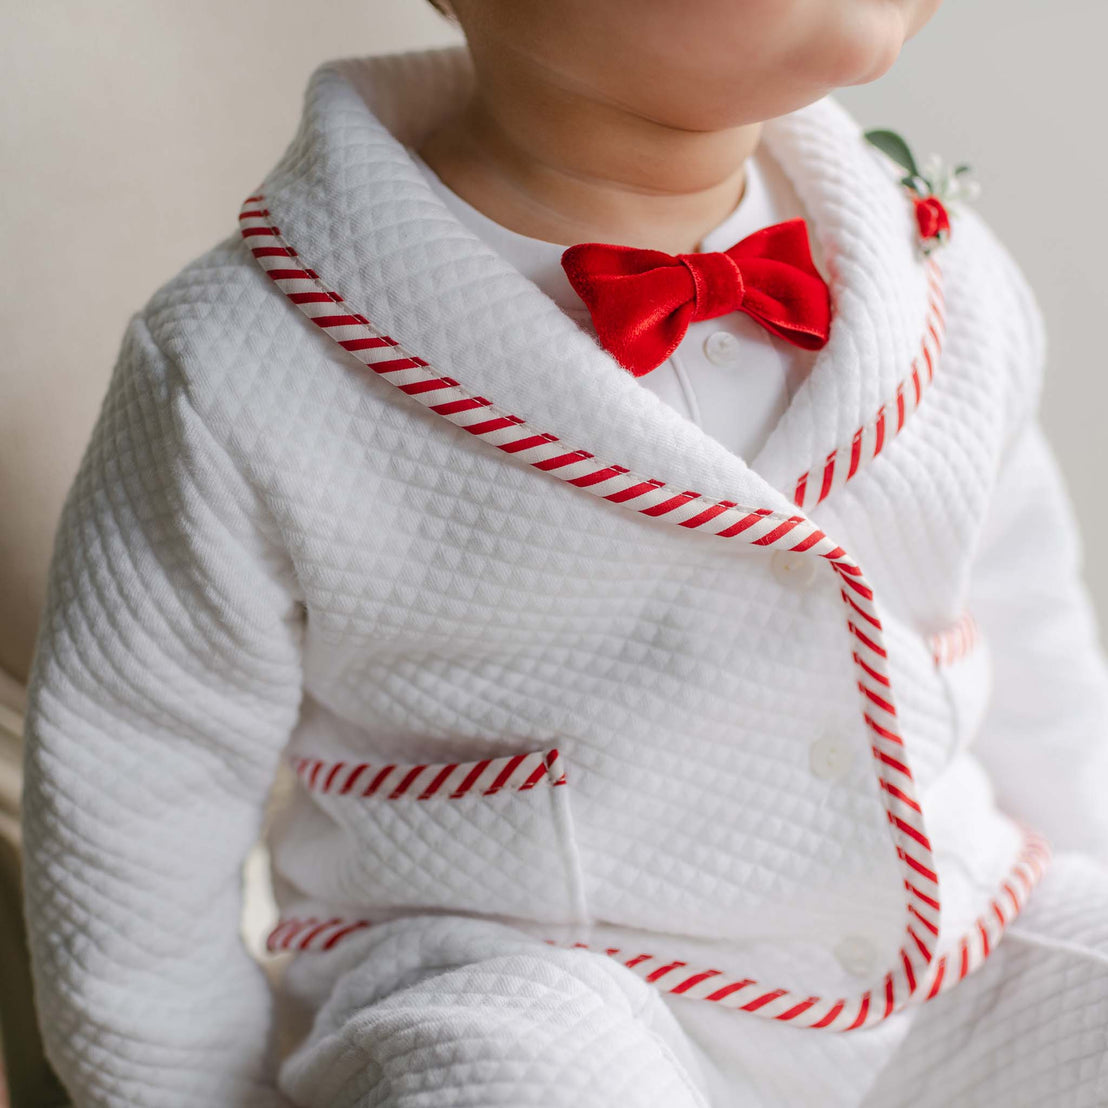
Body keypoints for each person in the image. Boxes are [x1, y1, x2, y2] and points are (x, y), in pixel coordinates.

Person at [20, 1, 1108, 1105]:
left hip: (942, 952)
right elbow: (139, 793)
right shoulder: (244, 365)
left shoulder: (936, 273)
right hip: (527, 986)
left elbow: (1027, 627)